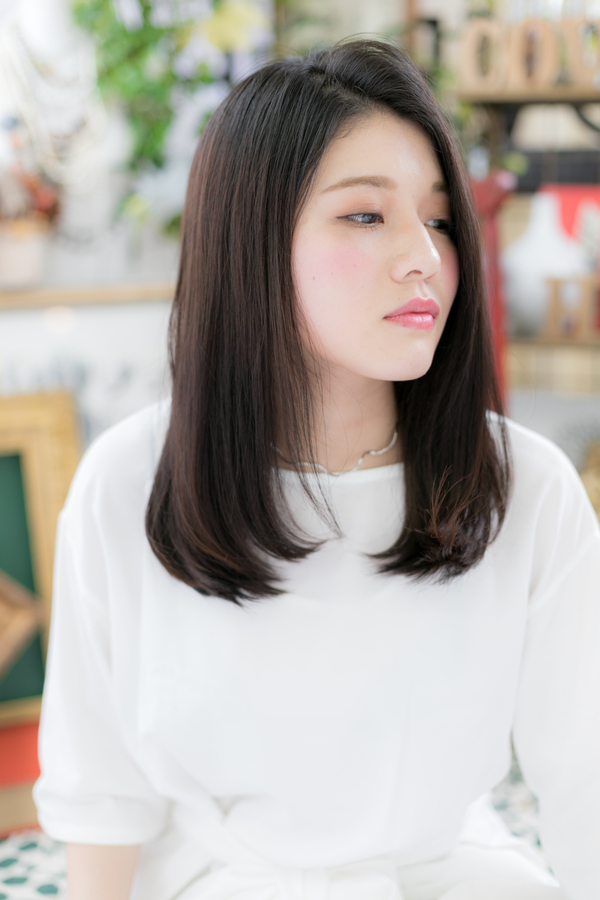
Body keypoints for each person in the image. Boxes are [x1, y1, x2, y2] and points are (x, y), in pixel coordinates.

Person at [33, 40, 600, 900]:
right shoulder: (130, 483)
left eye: (439, 219)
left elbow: (587, 778)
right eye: (366, 216)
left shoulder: (526, 487)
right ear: (252, 242)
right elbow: (100, 796)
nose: (424, 257)